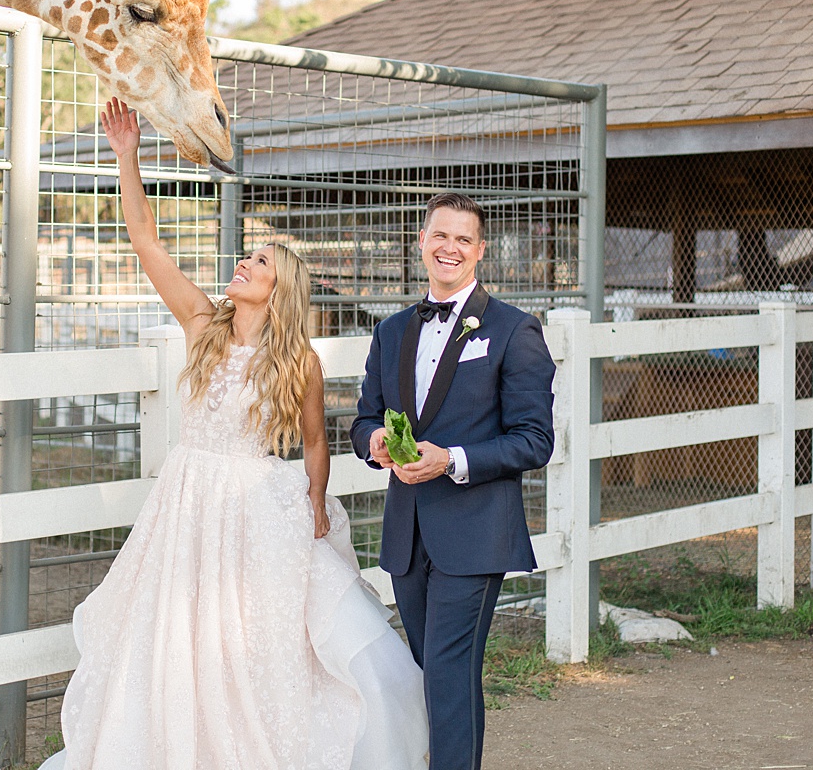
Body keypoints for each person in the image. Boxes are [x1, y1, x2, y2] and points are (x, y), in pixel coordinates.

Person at [43, 99, 428, 770]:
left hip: (255, 505)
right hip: (188, 501)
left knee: (262, 633)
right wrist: (127, 156)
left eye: (260, 262)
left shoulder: (298, 360)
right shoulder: (202, 325)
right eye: (247, 255)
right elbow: (146, 243)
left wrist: (313, 504)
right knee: (174, 629)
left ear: (279, 291)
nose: (244, 265)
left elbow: (314, 440)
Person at [351, 192, 556, 770]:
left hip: (476, 532)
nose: (450, 248)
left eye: (464, 239)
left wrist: (453, 460)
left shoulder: (515, 330)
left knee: (446, 666)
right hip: (408, 532)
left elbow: (534, 440)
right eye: (441, 236)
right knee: (427, 667)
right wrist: (372, 442)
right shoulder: (391, 332)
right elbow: (365, 416)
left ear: (480, 251)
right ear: (422, 241)